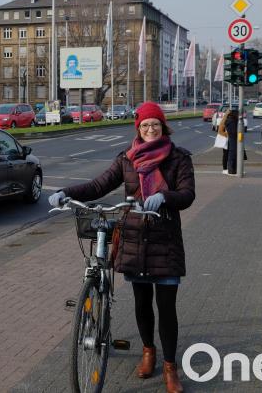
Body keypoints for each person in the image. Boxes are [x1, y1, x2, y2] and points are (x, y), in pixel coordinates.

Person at [49, 102, 195, 393]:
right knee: (142, 303)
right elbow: (98, 186)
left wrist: (165, 197)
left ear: (163, 126)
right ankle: (148, 352)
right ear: (138, 129)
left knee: (166, 308)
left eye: (155, 124)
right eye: (145, 125)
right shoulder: (127, 158)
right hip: (134, 239)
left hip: (165, 241)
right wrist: (65, 192)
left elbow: (187, 194)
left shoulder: (178, 158)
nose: (150, 129)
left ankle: (170, 367)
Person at [224, 109, 240, 175]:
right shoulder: (232, 122)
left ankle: (232, 169)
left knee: (232, 155)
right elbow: (234, 131)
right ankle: (232, 170)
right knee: (233, 155)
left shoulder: (230, 121)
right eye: (238, 114)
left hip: (232, 139)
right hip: (234, 139)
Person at [218, 110, 230, 174]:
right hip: (226, 141)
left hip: (233, 140)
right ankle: (225, 169)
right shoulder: (224, 120)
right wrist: (227, 134)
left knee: (233, 154)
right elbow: (220, 131)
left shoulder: (235, 120)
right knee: (226, 154)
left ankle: (233, 168)